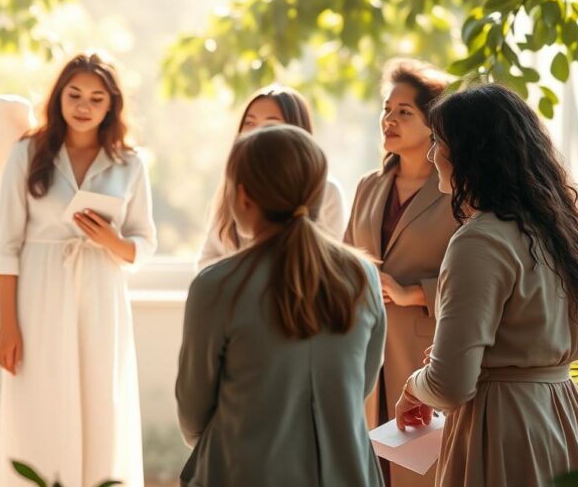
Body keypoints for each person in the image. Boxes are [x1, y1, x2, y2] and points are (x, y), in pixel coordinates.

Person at [396, 84, 578, 487]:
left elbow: (449, 385)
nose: (431, 155)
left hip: (503, 430)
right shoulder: (557, 232)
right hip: (562, 417)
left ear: (471, 154)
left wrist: (413, 386)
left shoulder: (479, 240)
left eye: (439, 142)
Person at [176, 124, 386, 487]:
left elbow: (193, 416)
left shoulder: (217, 287)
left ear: (242, 196)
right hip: (347, 472)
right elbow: (361, 383)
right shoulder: (363, 276)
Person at [0, 53, 157, 487]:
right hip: (38, 294)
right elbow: (5, 244)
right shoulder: (27, 153)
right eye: (75, 94)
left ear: (111, 106)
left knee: (102, 401)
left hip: (102, 294)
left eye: (96, 98)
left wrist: (112, 242)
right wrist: (7, 324)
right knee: (40, 402)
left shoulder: (129, 163)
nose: (83, 106)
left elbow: (145, 242)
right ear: (60, 96)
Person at [343, 59, 458, 487]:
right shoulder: (368, 186)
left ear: (434, 124)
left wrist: (414, 293)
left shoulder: (454, 191)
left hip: (423, 353)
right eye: (387, 109)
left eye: (404, 112)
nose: (389, 119)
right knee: (370, 470)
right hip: (365, 351)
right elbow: (345, 256)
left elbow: (478, 275)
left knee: (420, 474)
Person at [198, 86, 346, 270]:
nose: (256, 134)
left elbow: (329, 266)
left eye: (271, 125)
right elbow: (205, 264)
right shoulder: (230, 189)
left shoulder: (326, 191)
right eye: (249, 123)